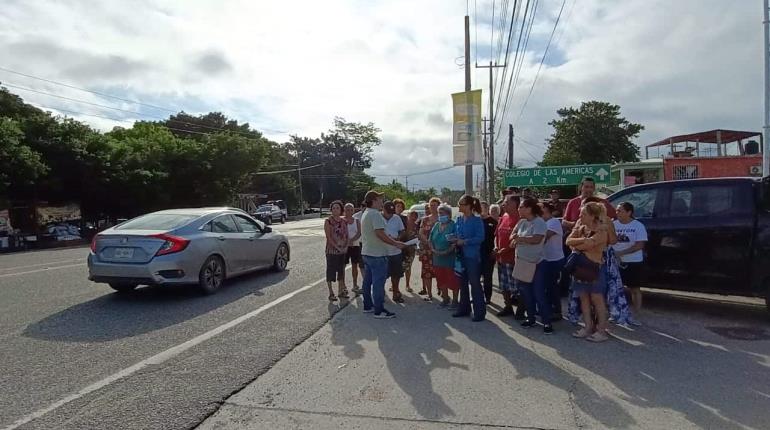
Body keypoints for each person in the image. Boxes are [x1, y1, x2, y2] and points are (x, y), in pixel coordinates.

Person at [566, 202, 610, 342]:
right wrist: (583, 240)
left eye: (584, 214)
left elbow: (590, 244)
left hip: (594, 268)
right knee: (583, 297)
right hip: (580, 268)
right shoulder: (580, 226)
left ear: (592, 216)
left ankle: (601, 331)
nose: (580, 216)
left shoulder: (602, 230)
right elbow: (568, 241)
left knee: (597, 299)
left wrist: (578, 244)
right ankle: (587, 327)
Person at [360, 190, 406, 318]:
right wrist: (395, 243)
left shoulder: (366, 213)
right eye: (380, 199)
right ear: (374, 200)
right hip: (377, 254)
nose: (382, 201)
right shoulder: (375, 214)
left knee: (367, 281)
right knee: (378, 283)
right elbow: (380, 234)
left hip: (368, 252)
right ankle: (379, 310)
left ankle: (368, 306)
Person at [511, 198, 552, 334]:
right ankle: (531, 318)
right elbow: (513, 234)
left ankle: (547, 322)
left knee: (538, 293)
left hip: (537, 263)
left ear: (529, 208)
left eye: (521, 207)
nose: (519, 209)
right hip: (522, 262)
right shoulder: (522, 222)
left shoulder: (539, 222)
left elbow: (537, 239)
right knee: (526, 292)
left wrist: (520, 239)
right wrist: (514, 238)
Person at [452, 195, 486, 322]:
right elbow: (457, 233)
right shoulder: (459, 219)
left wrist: (465, 242)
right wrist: (454, 239)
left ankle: (479, 312)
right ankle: (464, 308)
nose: (459, 206)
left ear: (468, 206)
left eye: (461, 204)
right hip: (460, 256)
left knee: (475, 283)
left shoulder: (477, 220)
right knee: (462, 283)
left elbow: (480, 237)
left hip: (472, 256)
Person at [613, 202, 647, 325]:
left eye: (620, 211)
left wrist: (621, 252)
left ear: (629, 212)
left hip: (633, 261)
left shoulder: (638, 226)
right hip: (616, 262)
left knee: (634, 289)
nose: (617, 213)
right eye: (617, 210)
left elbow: (640, 245)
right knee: (616, 289)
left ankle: (635, 315)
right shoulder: (613, 225)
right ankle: (616, 312)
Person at [495, 194, 523, 318]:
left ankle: (521, 310)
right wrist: (496, 248)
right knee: (504, 285)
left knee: (518, 287)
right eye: (504, 202)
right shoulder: (503, 217)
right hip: (501, 257)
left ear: (516, 205)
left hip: (514, 259)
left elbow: (517, 241)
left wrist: (504, 250)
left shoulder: (521, 219)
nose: (503, 204)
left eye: (507, 202)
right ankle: (508, 307)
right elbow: (497, 234)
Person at [429, 205, 459, 308]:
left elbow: (455, 242)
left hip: (450, 258)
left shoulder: (453, 225)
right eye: (439, 213)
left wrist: (446, 251)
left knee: (453, 279)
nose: (439, 215)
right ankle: (445, 299)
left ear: (448, 214)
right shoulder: (436, 225)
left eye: (442, 213)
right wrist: (433, 249)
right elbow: (430, 239)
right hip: (437, 258)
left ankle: (455, 301)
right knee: (441, 279)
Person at [541, 202, 565, 319]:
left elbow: (544, 237)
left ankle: (557, 311)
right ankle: (547, 308)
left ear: (546, 209)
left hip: (554, 260)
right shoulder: (543, 222)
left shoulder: (553, 222)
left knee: (552, 286)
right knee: (546, 285)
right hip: (545, 259)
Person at [324, 200, 349, 302]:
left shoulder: (344, 221)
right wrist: (337, 247)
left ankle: (340, 291)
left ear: (341, 209)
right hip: (332, 251)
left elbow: (347, 235)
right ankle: (331, 293)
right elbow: (328, 237)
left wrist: (346, 246)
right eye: (333, 208)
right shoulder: (328, 221)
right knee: (330, 271)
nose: (335, 210)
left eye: (337, 208)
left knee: (341, 271)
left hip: (342, 250)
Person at [417, 197, 441, 301]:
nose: (433, 207)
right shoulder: (425, 219)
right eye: (431, 205)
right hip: (427, 249)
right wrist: (427, 242)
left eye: (435, 205)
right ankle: (429, 293)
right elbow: (420, 233)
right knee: (427, 272)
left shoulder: (443, 219)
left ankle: (441, 290)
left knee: (440, 270)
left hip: (440, 250)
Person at [383, 201, 406, 303]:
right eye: (388, 212)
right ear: (383, 210)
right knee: (382, 275)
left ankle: (396, 293)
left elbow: (402, 231)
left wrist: (397, 238)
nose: (390, 214)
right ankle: (381, 293)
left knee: (396, 275)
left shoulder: (396, 218)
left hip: (395, 251)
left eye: (392, 212)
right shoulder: (378, 218)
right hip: (382, 252)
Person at [480, 201, 498, 304]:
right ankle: (478, 296)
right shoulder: (476, 221)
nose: (483, 210)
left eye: (484, 208)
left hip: (488, 253)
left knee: (487, 277)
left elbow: (497, 237)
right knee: (476, 277)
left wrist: (495, 249)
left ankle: (488, 297)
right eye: (481, 208)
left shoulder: (493, 222)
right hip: (477, 253)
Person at [344, 203, 363, 294]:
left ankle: (355, 285)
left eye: (351, 210)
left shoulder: (357, 221)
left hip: (355, 246)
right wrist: (348, 241)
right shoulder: (342, 221)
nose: (349, 211)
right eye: (347, 210)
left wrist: (352, 240)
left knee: (355, 266)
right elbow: (341, 233)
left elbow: (359, 232)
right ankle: (343, 286)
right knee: (342, 266)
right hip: (345, 247)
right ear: (344, 210)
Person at [400, 210, 419, 293]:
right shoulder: (403, 224)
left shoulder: (417, 226)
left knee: (408, 267)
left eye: (415, 216)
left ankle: (407, 285)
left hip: (411, 249)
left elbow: (418, 237)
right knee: (398, 266)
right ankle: (394, 285)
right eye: (412, 215)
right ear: (408, 215)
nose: (413, 217)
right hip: (400, 247)